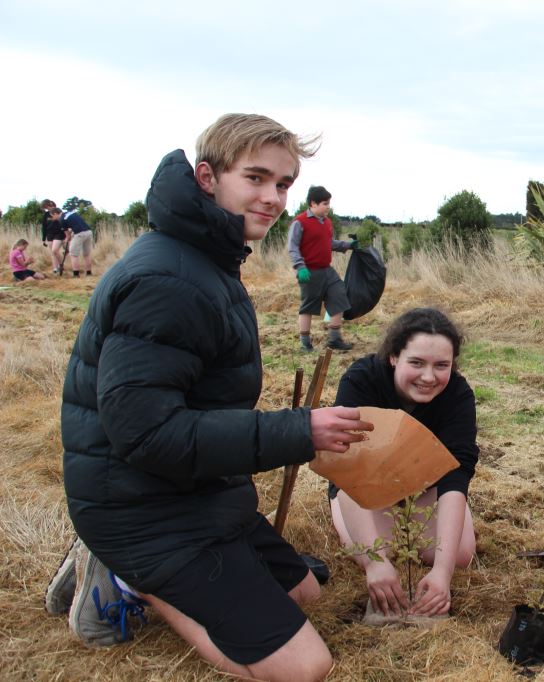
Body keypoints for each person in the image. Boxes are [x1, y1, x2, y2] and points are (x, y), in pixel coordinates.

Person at [51, 113, 374, 682]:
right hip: (140, 508)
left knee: (305, 593)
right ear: (207, 178)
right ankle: (130, 579)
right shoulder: (168, 280)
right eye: (256, 178)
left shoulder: (207, 258)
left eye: (283, 185)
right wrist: (299, 431)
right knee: (303, 668)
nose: (272, 198)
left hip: (193, 490)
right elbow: (145, 434)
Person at [329, 307, 477, 618]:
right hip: (363, 489)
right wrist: (375, 562)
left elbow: (455, 475)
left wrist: (442, 573)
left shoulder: (458, 396)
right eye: (417, 363)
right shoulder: (361, 381)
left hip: (423, 486)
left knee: (460, 555)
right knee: (378, 549)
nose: (428, 377)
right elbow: (344, 469)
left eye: (441, 366)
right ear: (394, 356)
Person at [286, 185, 356, 352]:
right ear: (313, 203)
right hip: (308, 271)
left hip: (327, 270)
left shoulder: (327, 222)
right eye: (325, 203)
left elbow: (329, 243)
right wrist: (300, 267)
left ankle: (334, 339)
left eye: (329, 203)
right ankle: (305, 343)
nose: (328, 207)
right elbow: (293, 247)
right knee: (308, 306)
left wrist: (348, 245)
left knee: (339, 294)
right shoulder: (300, 222)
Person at [47, 206, 93, 276]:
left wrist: (67, 240)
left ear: (56, 213)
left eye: (52, 216)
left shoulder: (62, 220)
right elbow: (75, 224)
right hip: (89, 232)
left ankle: (76, 274)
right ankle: (89, 273)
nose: (53, 218)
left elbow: (68, 236)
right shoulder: (70, 213)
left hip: (79, 234)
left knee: (73, 254)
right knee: (87, 254)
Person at [40, 199, 66, 273]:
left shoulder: (58, 212)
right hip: (50, 234)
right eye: (45, 208)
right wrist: (43, 238)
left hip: (59, 233)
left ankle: (60, 265)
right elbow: (44, 227)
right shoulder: (46, 215)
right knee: (53, 252)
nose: (47, 209)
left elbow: (63, 223)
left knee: (56, 250)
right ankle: (55, 268)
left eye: (47, 207)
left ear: (50, 205)